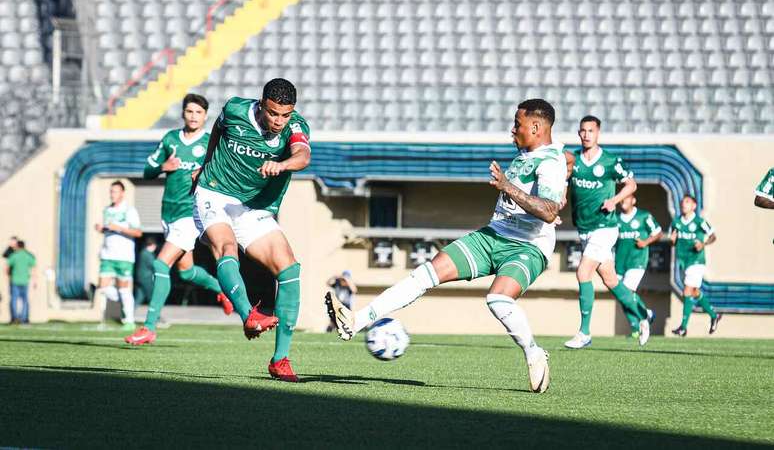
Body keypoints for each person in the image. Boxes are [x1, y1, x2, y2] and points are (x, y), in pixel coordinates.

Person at [327, 99, 567, 394]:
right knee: (425, 273)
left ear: (536, 126)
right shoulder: (539, 153)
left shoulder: (550, 162)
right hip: (494, 234)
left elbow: (549, 212)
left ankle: (533, 352)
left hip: (528, 247)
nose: (512, 130)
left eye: (517, 124)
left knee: (498, 300)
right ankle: (357, 320)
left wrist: (508, 186)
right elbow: (565, 160)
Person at [192, 78, 311, 382]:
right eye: (273, 113)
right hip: (214, 193)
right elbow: (217, 131)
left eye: (285, 115)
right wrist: (205, 166)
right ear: (261, 105)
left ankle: (280, 360)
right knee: (226, 246)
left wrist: (282, 166)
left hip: (253, 207)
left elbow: (302, 155)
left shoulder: (295, 126)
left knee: (289, 269)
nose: (279, 121)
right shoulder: (234, 109)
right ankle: (249, 315)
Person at [126, 94, 233, 345]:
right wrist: (164, 166)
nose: (193, 116)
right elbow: (147, 170)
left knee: (160, 265)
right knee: (185, 272)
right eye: (189, 111)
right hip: (168, 212)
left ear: (205, 116)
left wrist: (204, 173)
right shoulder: (170, 140)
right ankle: (223, 291)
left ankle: (150, 326)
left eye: (198, 112)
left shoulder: (210, 143)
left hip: (190, 213)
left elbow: (223, 173)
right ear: (183, 114)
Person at [563, 116, 652, 349]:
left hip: (605, 228)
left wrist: (614, 200)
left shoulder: (611, 161)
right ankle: (643, 314)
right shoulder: (573, 160)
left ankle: (584, 332)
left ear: (598, 133)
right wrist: (560, 200)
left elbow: (631, 185)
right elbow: (564, 182)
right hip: (584, 229)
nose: (586, 135)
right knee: (611, 280)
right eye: (582, 131)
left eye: (590, 131)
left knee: (583, 273)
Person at [670, 195, 721, 337]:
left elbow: (713, 236)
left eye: (687, 202)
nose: (684, 204)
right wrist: (672, 241)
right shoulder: (676, 222)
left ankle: (683, 327)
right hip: (684, 262)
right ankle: (713, 315)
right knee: (694, 292)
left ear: (694, 205)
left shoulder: (700, 222)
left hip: (697, 261)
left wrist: (703, 244)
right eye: (682, 202)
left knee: (686, 291)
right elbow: (673, 241)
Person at [95, 180, 143, 330]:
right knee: (103, 287)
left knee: (124, 289)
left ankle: (129, 320)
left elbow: (138, 232)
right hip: (107, 255)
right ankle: (123, 302)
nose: (112, 194)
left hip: (124, 256)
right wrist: (101, 228)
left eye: (115, 191)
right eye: (111, 191)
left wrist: (118, 227)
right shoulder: (107, 210)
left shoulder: (129, 210)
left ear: (122, 193)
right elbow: (109, 229)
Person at [615, 195, 660, 337]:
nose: (623, 202)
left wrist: (645, 242)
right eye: (621, 199)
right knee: (621, 295)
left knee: (627, 290)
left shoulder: (643, 216)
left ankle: (640, 320)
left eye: (626, 199)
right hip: (620, 262)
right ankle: (640, 322)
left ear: (633, 200)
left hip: (637, 261)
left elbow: (658, 233)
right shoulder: (615, 218)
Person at [7, 240, 36, 324]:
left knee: (14, 300)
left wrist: (9, 276)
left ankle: (15, 318)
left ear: (18, 246)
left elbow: (7, 268)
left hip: (15, 281)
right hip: (24, 281)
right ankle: (24, 318)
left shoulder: (14, 255)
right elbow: (34, 267)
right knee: (25, 300)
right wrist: (35, 280)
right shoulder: (28, 255)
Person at [133, 238, 157, 306]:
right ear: (152, 245)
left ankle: (128, 313)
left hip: (140, 277)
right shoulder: (147, 254)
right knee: (152, 295)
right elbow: (153, 265)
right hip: (146, 278)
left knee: (139, 297)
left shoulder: (142, 252)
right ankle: (154, 314)